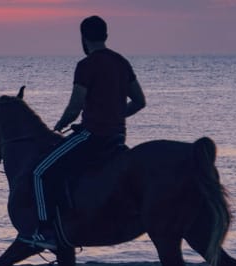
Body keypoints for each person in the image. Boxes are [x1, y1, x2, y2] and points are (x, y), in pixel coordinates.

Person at [20, 15, 147, 250]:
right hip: (117, 138)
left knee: (40, 171)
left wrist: (59, 124)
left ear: (84, 37)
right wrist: (117, 116)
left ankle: (45, 231)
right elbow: (140, 101)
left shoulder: (86, 65)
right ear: (106, 36)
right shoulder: (121, 62)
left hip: (92, 136)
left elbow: (75, 106)